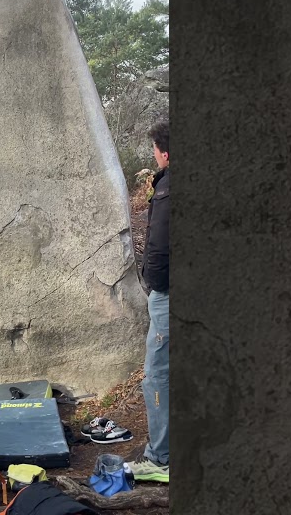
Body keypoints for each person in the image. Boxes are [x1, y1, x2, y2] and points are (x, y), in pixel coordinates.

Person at [129, 119, 169, 483]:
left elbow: (157, 246)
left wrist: (153, 285)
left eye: (155, 151)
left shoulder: (168, 188)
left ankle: (161, 460)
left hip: (169, 295)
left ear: (165, 153)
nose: (153, 157)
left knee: (157, 376)